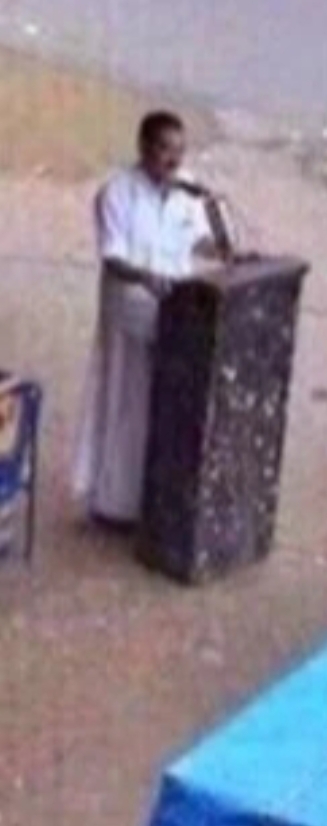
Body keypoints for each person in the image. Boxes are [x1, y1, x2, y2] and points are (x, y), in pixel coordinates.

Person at [72, 111, 221, 529]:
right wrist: (145, 278)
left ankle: (157, 503)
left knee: (164, 407)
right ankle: (114, 504)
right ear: (143, 148)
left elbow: (201, 243)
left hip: (176, 315)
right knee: (127, 404)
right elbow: (113, 257)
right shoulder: (117, 193)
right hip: (131, 315)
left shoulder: (187, 193)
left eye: (179, 151)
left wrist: (223, 241)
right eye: (164, 149)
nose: (173, 160)